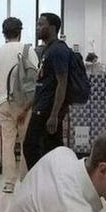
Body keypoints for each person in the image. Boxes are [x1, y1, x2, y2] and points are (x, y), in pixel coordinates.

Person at [0, 17, 38, 194]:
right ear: (20, 32)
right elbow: (35, 75)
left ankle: (9, 183)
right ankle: (25, 180)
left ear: (4, 33)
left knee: (8, 143)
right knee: (26, 142)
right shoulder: (28, 50)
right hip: (24, 104)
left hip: (3, 103)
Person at [23, 13, 69, 169]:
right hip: (41, 106)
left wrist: (54, 114)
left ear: (53, 28)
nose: (37, 28)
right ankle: (50, 179)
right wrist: (28, 106)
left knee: (31, 146)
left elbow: (62, 83)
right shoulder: (47, 50)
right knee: (50, 148)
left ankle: (40, 178)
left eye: (41, 24)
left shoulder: (58, 50)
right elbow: (43, 84)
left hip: (47, 110)